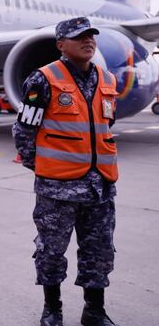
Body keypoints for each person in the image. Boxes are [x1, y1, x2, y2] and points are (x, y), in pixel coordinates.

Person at [12, 17, 119, 326]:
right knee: (51, 251)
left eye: (91, 36)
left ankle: (94, 311)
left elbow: (104, 125)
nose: (88, 41)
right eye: (79, 37)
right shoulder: (43, 79)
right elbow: (24, 130)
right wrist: (43, 169)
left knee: (99, 250)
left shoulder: (107, 80)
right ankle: (52, 310)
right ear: (60, 44)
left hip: (100, 185)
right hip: (57, 188)